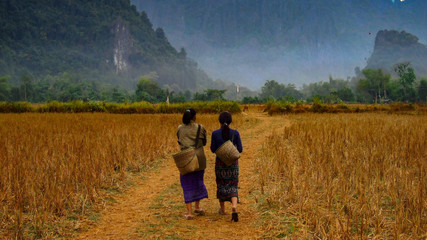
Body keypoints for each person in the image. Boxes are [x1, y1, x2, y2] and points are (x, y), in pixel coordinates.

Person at [210, 111, 243, 222]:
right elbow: (240, 150)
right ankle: (234, 205)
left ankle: (223, 209)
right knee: (233, 185)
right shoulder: (235, 133)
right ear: (230, 121)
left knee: (221, 184)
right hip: (233, 164)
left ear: (219, 121)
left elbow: (213, 149)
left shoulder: (215, 134)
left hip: (220, 164)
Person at [176, 108, 208, 220]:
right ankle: (197, 207)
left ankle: (189, 212)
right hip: (198, 158)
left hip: (185, 158)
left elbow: (179, 141)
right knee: (198, 181)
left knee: (187, 184)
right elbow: (204, 142)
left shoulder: (180, 128)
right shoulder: (200, 127)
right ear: (194, 117)